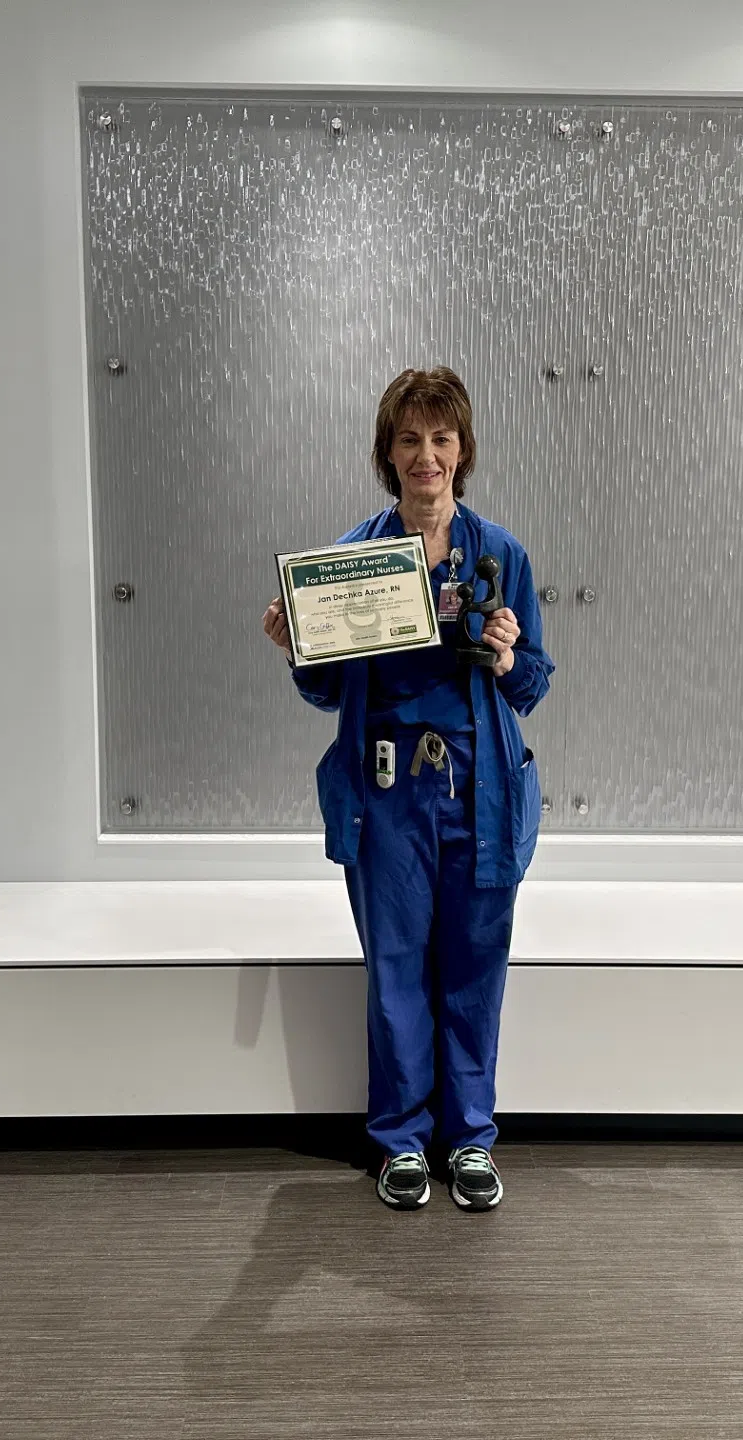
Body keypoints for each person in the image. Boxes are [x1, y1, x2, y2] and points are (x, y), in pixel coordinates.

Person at [261, 366, 554, 1211]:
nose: (427, 455)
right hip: (387, 791)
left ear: (463, 451)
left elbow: (533, 683)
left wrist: (507, 654)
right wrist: (298, 648)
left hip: (478, 790)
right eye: (410, 439)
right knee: (394, 970)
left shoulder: (500, 555)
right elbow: (328, 693)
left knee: (474, 967)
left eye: (442, 438)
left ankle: (469, 1139)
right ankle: (400, 1140)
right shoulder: (353, 562)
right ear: (388, 454)